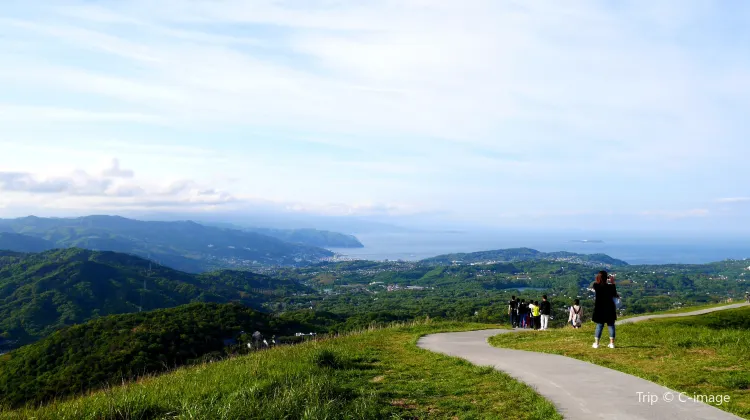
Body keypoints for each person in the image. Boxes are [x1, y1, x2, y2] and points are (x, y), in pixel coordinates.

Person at [592, 271, 619, 349]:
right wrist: (612, 282)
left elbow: (596, 283)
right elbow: (615, 294)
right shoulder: (611, 287)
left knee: (599, 326)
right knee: (611, 325)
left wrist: (600, 279)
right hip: (610, 308)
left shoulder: (596, 285)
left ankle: (596, 344)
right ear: (606, 278)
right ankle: (612, 344)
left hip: (600, 308)